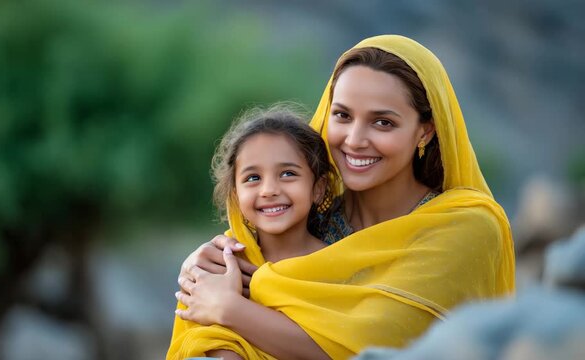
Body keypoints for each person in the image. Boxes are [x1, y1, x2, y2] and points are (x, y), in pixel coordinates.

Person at [171, 35, 516, 360]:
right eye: (343, 115)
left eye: (382, 122)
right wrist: (202, 269)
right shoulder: (302, 219)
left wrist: (232, 310)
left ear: (425, 130)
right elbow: (206, 318)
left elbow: (372, 346)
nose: (354, 140)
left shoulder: (466, 229)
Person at [167, 106, 338, 359]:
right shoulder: (219, 266)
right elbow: (202, 338)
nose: (269, 189)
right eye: (252, 178)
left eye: (288, 174)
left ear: (318, 188)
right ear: (235, 194)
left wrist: (231, 309)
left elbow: (344, 345)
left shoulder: (338, 266)